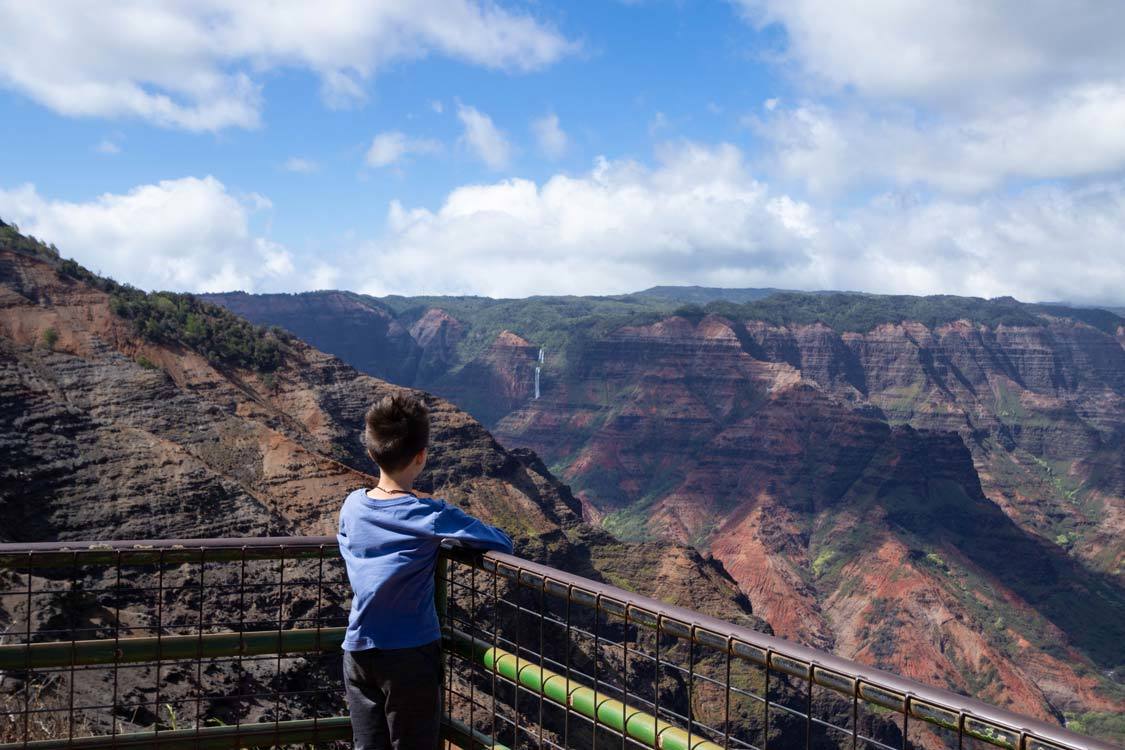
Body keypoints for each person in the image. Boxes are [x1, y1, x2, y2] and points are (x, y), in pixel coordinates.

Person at [337, 392, 513, 750]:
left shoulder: (352, 505)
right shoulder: (428, 514)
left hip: (357, 651)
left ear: (372, 453)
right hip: (410, 655)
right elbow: (500, 542)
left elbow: (346, 542)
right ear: (421, 457)